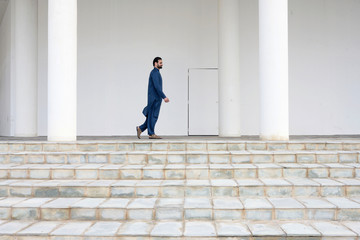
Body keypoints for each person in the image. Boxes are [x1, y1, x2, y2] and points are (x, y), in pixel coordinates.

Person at [136, 57, 170, 139]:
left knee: (151, 116)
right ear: (155, 63)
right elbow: (157, 87)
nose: (162, 64)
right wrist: (164, 97)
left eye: (162, 63)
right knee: (153, 116)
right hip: (154, 98)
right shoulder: (155, 73)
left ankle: (140, 128)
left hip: (155, 98)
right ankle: (151, 133)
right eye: (160, 63)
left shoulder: (156, 72)